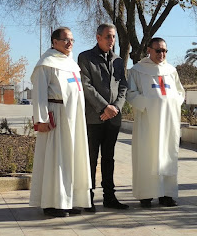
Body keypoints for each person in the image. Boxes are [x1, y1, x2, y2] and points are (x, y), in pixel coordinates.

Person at [29, 27, 91, 217]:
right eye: (65, 40)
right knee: (55, 160)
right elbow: (39, 93)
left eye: (72, 39)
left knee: (72, 159)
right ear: (54, 42)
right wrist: (42, 119)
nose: (69, 43)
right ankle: (52, 203)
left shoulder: (72, 64)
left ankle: (69, 200)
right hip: (56, 117)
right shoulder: (46, 64)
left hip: (75, 119)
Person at [127, 37, 185, 208]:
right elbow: (130, 92)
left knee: (168, 155)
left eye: (165, 51)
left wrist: (173, 102)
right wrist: (148, 104)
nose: (162, 54)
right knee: (147, 156)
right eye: (158, 50)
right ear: (149, 50)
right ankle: (146, 195)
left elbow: (180, 92)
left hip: (168, 121)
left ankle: (166, 195)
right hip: (148, 122)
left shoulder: (171, 70)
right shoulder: (137, 70)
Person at [78, 23, 128, 211]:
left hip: (113, 118)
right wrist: (104, 107)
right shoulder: (85, 58)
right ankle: (88, 197)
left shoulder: (118, 60)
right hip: (94, 117)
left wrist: (115, 107)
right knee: (91, 158)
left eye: (113, 37)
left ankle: (110, 197)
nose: (111, 40)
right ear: (98, 37)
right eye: (108, 37)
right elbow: (86, 85)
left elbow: (123, 86)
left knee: (109, 158)